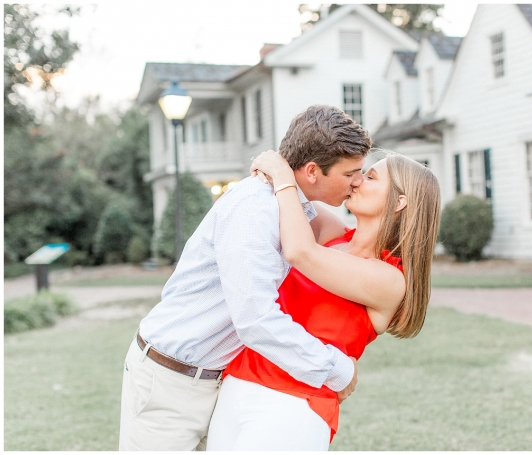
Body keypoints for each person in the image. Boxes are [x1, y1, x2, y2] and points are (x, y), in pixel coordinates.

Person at [118, 105, 372, 451]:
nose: (358, 181)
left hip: (213, 380)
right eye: (351, 173)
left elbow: (347, 241)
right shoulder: (255, 209)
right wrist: (334, 369)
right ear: (312, 171)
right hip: (169, 381)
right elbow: (256, 318)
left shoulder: (288, 205)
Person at [206, 150, 441, 450]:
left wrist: (280, 174)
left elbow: (300, 251)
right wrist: (273, 167)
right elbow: (300, 189)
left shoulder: (390, 280)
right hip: (237, 385)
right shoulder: (332, 234)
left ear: (399, 202)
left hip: (295, 406)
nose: (356, 181)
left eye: (370, 177)